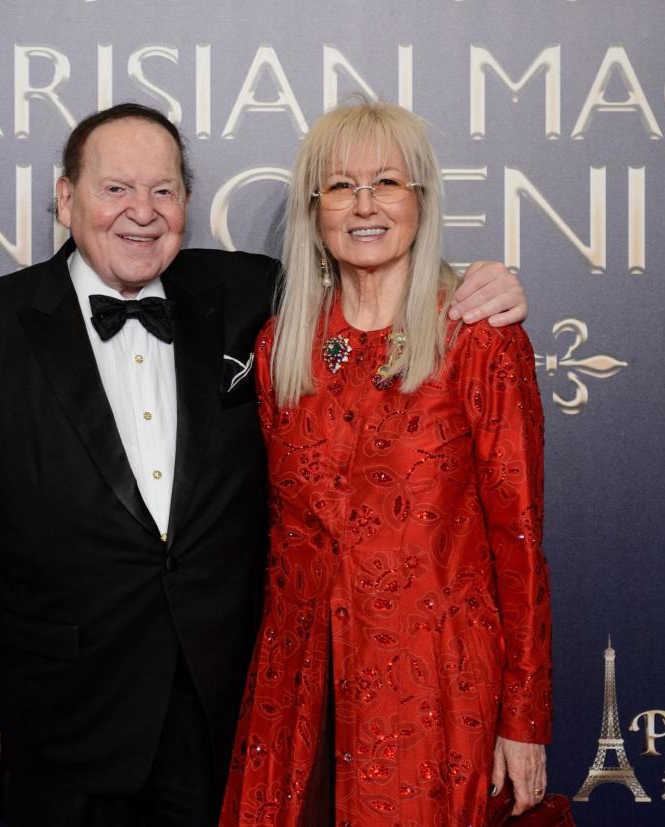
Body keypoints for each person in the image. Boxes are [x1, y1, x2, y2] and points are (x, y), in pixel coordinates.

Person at [0, 102, 529, 827]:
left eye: (164, 191)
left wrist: (485, 284)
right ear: (65, 197)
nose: (142, 212)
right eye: (116, 189)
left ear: (187, 205)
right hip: (60, 719)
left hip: (222, 716)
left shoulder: (251, 299)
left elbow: (374, 269)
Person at [219, 100, 553, 827]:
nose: (363, 205)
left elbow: (519, 544)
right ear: (314, 210)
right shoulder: (283, 345)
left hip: (433, 690)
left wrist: (524, 718)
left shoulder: (478, 340)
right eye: (339, 186)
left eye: (387, 183)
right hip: (297, 690)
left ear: (421, 201)